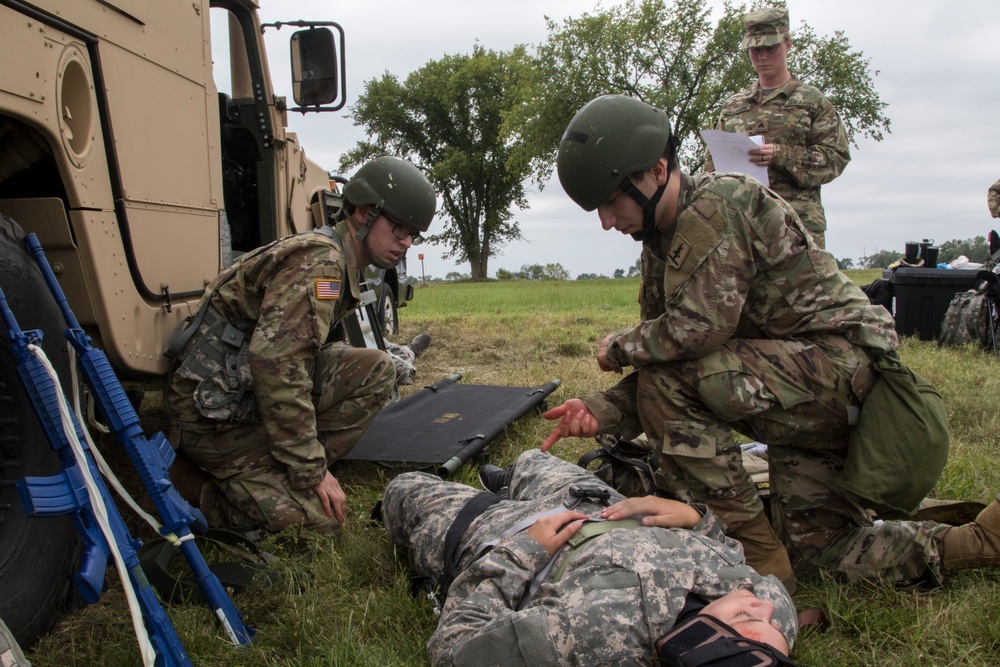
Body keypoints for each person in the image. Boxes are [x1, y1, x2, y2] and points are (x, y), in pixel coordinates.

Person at [543, 93, 1000, 590]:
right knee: (821, 553)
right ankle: (980, 542)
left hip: (841, 378)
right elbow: (668, 366)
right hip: (803, 398)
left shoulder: (721, 205)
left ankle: (753, 558)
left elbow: (696, 334)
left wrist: (617, 347)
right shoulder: (660, 242)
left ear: (656, 170)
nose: (608, 221)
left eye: (612, 201)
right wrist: (599, 409)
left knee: (674, 381)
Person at [164, 156, 436, 534]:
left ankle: (281, 471)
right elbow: (278, 365)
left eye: (412, 235)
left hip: (242, 393)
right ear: (363, 213)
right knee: (316, 525)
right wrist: (312, 470)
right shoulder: (320, 262)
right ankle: (188, 485)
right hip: (212, 417)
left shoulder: (337, 258)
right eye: (399, 229)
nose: (405, 243)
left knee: (378, 369)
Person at [381, 448, 800, 666]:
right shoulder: (772, 618)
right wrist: (696, 520)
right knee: (532, 458)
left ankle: (493, 499)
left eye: (747, 620)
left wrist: (522, 551)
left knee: (403, 487)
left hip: (502, 533)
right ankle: (513, 478)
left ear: (694, 648)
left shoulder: (585, 641)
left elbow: (454, 650)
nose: (761, 605)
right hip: (594, 501)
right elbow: (733, 558)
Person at [703, 7, 850, 249]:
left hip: (797, 225)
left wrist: (780, 155)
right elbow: (711, 168)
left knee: (804, 288)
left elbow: (836, 158)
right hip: (744, 225)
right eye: (755, 50)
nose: (762, 57)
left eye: (770, 48)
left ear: (788, 44)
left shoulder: (812, 102)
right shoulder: (733, 106)